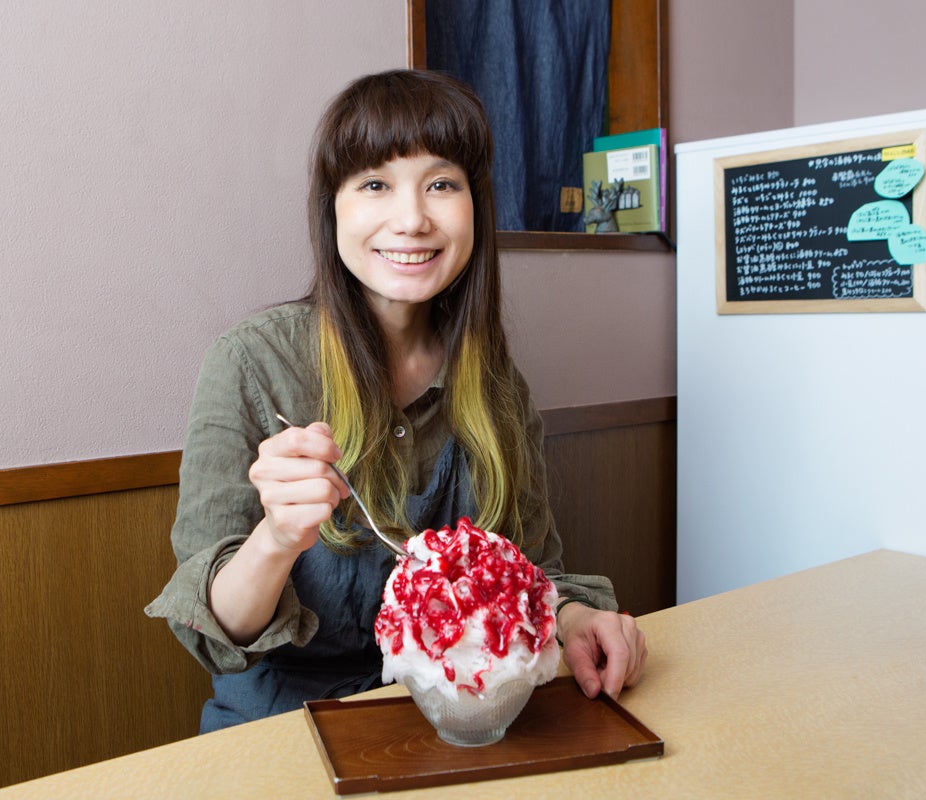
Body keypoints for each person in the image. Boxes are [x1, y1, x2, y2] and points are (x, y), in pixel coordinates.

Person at [145, 69, 647, 734]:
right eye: (375, 184)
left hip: (461, 721)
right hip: (284, 728)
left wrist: (578, 619)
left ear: (475, 206)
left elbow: (534, 572)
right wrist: (277, 539)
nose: (411, 219)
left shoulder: (495, 383)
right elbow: (216, 631)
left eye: (442, 184)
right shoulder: (251, 364)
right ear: (333, 208)